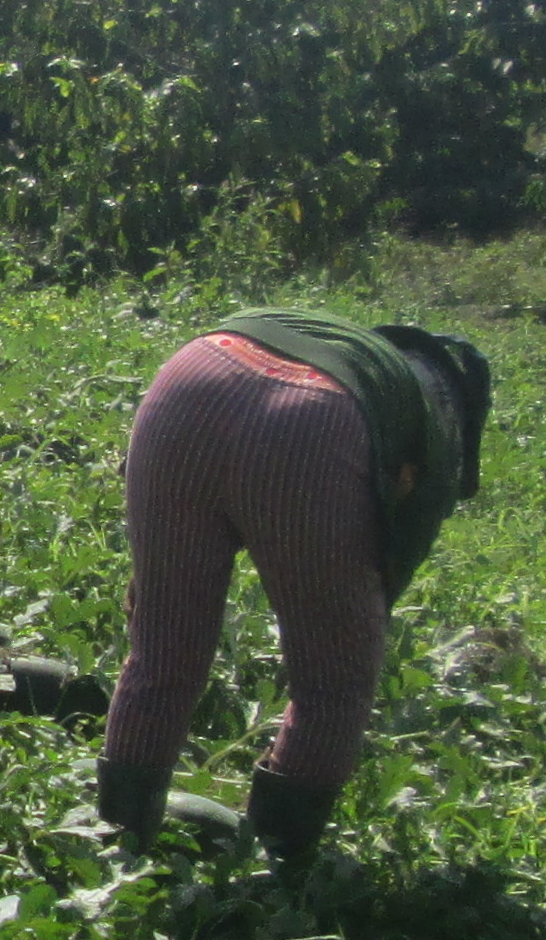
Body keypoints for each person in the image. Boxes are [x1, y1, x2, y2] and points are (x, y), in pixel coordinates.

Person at [94, 308, 495, 878]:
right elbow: (388, 572)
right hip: (310, 427)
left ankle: (114, 856)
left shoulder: (350, 347)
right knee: (333, 685)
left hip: (190, 379)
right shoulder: (436, 428)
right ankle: (273, 875)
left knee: (160, 653)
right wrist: (346, 623)